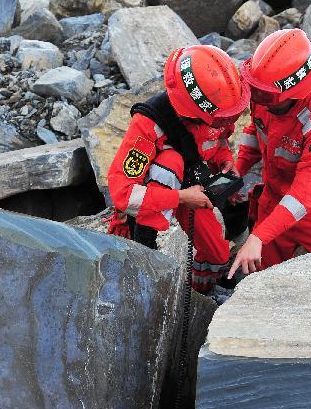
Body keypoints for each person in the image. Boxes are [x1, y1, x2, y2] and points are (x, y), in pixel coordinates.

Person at [106, 44, 250, 295]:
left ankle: (199, 296)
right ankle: (146, 242)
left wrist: (225, 160)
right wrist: (182, 197)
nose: (226, 123)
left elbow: (218, 140)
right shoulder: (148, 126)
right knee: (170, 160)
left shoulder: (216, 109)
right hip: (161, 198)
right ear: (192, 110)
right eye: (221, 119)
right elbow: (123, 194)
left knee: (216, 254)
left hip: (191, 187)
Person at [228, 28, 311, 277]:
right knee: (263, 278)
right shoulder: (262, 93)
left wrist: (258, 237)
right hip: (273, 198)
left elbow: (304, 195)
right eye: (254, 88)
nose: (255, 96)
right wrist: (237, 170)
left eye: (264, 93)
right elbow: (255, 130)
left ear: (294, 93)